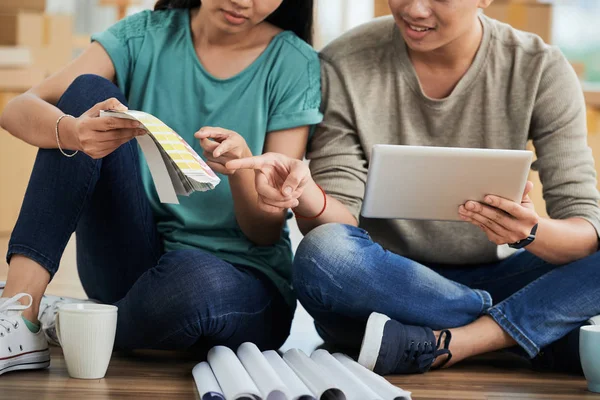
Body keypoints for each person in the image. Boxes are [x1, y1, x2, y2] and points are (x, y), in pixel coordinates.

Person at [226, 0, 600, 376]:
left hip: (495, 276)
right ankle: (521, 328)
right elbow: (337, 225)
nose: (415, 9)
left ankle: (458, 342)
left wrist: (530, 231)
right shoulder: (345, 62)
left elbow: (584, 231)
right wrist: (310, 197)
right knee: (323, 254)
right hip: (387, 283)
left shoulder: (539, 67)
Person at [0, 0, 321, 375]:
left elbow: (265, 233)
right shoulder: (143, 35)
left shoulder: (294, 63)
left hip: (239, 281)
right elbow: (17, 109)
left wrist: (241, 171)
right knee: (88, 92)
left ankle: (76, 321)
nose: (244, 1)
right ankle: (20, 316)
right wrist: (73, 132)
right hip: (132, 261)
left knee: (192, 281)